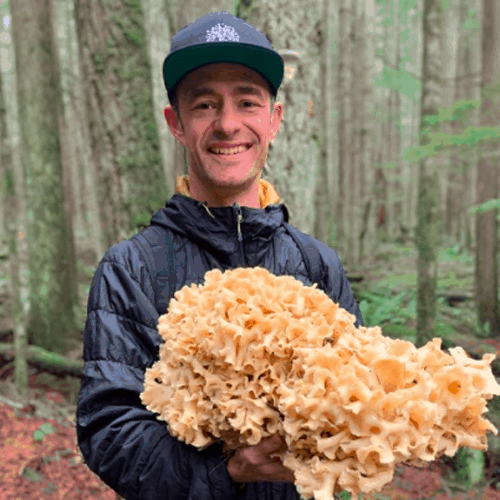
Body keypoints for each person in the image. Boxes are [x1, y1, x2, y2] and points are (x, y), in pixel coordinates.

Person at [76, 11, 364, 500]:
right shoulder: (131, 269)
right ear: (177, 124)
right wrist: (227, 472)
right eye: (205, 105)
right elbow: (109, 434)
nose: (228, 124)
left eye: (247, 102)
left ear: (273, 119)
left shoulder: (317, 265)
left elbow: (357, 402)